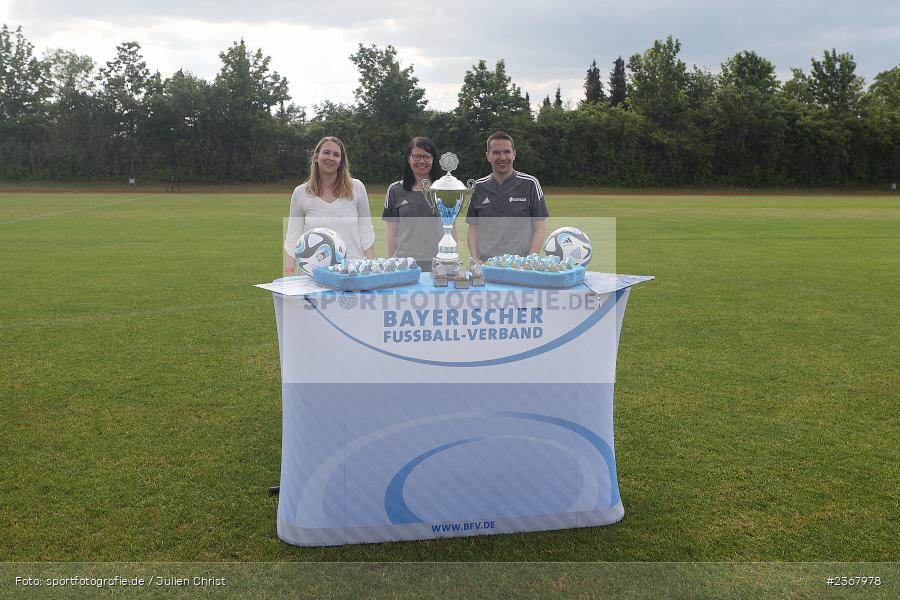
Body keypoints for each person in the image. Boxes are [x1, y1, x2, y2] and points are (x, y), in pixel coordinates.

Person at [283, 136, 375, 273]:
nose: (331, 158)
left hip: (352, 270)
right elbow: (293, 236)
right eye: (326, 152)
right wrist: (289, 273)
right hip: (314, 273)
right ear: (315, 157)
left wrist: (371, 266)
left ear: (341, 162)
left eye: (336, 155)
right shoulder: (300, 192)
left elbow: (366, 230)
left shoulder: (357, 187)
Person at [466, 131, 549, 263]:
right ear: (488, 156)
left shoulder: (530, 184)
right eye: (496, 152)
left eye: (506, 152)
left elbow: (540, 227)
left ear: (514, 154)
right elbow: (473, 228)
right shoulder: (478, 187)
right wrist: (475, 258)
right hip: (486, 264)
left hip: (520, 264)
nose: (502, 157)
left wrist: (530, 259)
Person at [381, 137, 446, 272]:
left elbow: (451, 230)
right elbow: (392, 234)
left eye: (427, 156)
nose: (422, 161)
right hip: (405, 264)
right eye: (416, 156)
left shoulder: (444, 189)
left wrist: (450, 261)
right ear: (408, 158)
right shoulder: (395, 190)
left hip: (438, 264)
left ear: (433, 159)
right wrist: (393, 263)